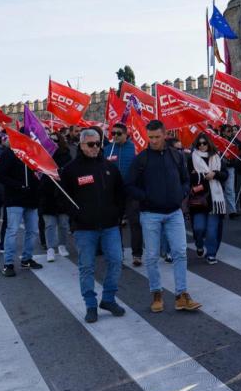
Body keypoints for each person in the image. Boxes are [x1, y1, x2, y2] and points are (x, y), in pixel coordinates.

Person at [125, 120, 201, 313]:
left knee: (180, 253)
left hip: (174, 212)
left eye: (157, 137)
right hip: (150, 214)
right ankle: (156, 294)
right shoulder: (141, 159)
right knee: (151, 256)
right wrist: (146, 198)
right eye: (150, 137)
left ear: (165, 135)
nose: (154, 141)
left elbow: (186, 179)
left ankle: (181, 295)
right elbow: (130, 185)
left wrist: (182, 193)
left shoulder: (177, 156)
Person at [60, 128, 126, 323]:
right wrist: (77, 216)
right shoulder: (71, 170)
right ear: (81, 145)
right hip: (84, 229)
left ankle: (108, 299)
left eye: (98, 143)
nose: (95, 147)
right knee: (86, 267)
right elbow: (63, 198)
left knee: (116, 261)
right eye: (91, 144)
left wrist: (117, 214)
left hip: (109, 226)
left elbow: (120, 193)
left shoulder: (109, 167)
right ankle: (90, 305)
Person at [0, 134, 43, 276]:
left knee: (33, 230)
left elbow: (37, 173)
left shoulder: (32, 154)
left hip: (31, 198)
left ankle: (27, 259)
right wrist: (19, 185)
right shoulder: (9, 154)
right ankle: (8, 263)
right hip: (15, 198)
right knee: (13, 231)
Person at [102, 123, 141, 266]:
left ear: (126, 134)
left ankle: (137, 254)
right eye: (113, 134)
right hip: (114, 193)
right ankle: (119, 253)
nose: (116, 136)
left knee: (135, 223)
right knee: (114, 224)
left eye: (119, 133)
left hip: (131, 192)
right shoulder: (107, 150)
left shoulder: (134, 149)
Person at [188, 133, 229, 264]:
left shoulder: (217, 157)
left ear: (208, 144)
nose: (201, 146)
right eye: (199, 143)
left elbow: (225, 175)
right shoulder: (191, 158)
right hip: (199, 199)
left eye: (204, 143)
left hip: (215, 200)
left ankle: (211, 254)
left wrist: (215, 174)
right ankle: (199, 245)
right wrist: (203, 176)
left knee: (212, 230)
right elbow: (188, 177)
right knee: (198, 228)